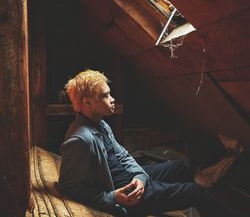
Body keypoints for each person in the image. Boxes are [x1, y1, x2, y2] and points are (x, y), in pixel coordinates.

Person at [58, 69, 236, 217]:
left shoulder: (100, 123)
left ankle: (177, 201)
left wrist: (140, 176)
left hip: (131, 179)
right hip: (126, 192)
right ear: (87, 103)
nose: (112, 99)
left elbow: (122, 155)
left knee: (180, 166)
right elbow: (68, 186)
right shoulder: (79, 139)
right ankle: (185, 198)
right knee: (194, 192)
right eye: (106, 95)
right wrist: (113, 197)